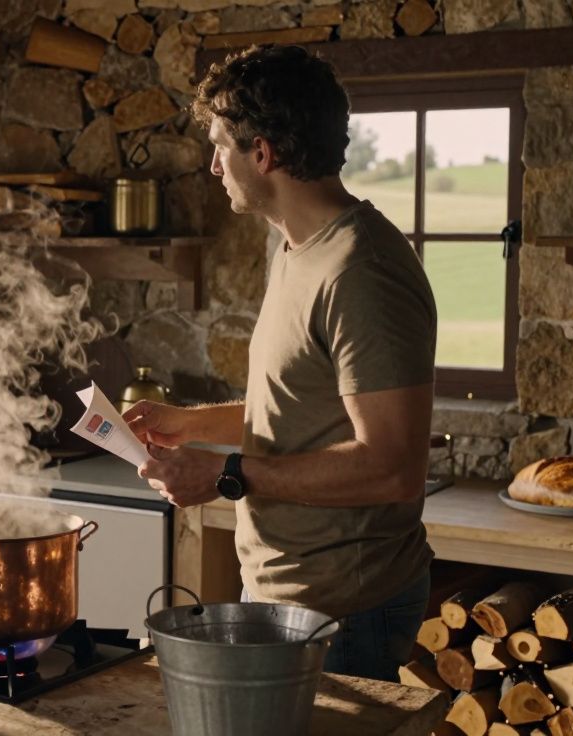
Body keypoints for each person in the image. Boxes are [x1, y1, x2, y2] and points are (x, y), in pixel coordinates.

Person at [124, 45, 437, 682]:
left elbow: (393, 468)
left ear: (262, 153)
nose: (214, 167)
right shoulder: (298, 248)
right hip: (287, 594)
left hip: (343, 610)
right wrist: (191, 424)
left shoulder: (362, 271)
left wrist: (228, 474)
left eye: (220, 147)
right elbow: (302, 411)